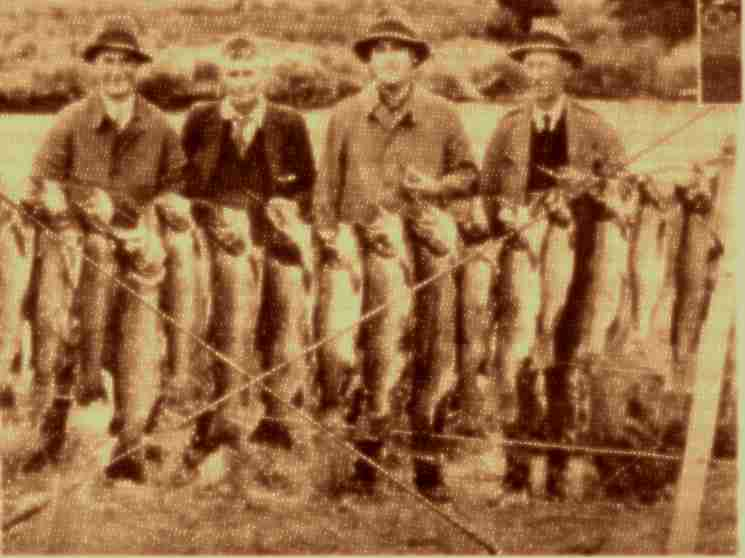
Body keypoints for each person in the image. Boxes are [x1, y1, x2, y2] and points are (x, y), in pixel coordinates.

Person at [315, 7, 478, 502]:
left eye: (398, 50)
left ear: (415, 59)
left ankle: (428, 469)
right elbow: (326, 190)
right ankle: (365, 465)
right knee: (372, 354)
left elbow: (470, 176)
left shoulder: (443, 114)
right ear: (368, 60)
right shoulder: (344, 115)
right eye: (379, 50)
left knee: (430, 355)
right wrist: (330, 239)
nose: (388, 59)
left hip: (428, 252)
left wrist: (435, 187)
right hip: (367, 261)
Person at [23, 15, 189, 482]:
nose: (115, 70)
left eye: (125, 62)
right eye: (106, 61)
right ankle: (49, 433)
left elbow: (176, 188)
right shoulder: (69, 119)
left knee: (136, 342)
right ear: (94, 66)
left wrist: (152, 220)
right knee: (61, 329)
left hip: (136, 250)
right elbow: (41, 183)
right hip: (78, 247)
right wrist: (52, 199)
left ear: (138, 68)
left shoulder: (158, 124)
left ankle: (132, 439)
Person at [479, 17, 628, 503]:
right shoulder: (506, 130)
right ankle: (517, 476)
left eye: (549, 64)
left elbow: (622, 188)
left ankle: (562, 472)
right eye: (532, 64)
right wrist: (501, 213)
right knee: (520, 362)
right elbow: (486, 197)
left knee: (564, 364)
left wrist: (593, 189)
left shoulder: (597, 128)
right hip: (523, 262)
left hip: (577, 262)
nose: (539, 73)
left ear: (567, 70)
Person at [179, 35, 317, 469]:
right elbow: (183, 184)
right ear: (222, 78)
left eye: (250, 74)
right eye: (233, 74)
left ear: (265, 77)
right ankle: (217, 420)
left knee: (283, 327)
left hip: (275, 238)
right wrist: (207, 215)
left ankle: (276, 418)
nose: (241, 83)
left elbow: (311, 184)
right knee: (225, 328)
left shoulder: (289, 122)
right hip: (220, 239)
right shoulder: (200, 119)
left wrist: (291, 205)